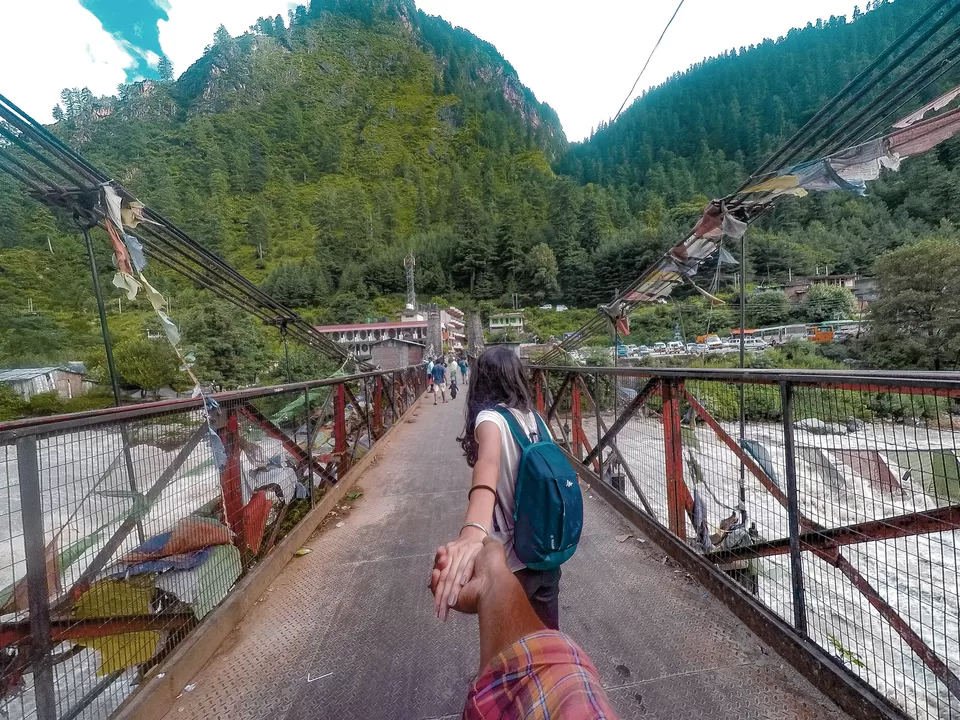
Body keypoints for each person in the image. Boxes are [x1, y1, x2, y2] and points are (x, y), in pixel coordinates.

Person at [433, 345, 562, 629]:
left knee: (507, 644)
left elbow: (488, 465)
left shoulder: (490, 419)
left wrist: (473, 531)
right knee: (548, 639)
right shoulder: (537, 419)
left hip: (510, 564)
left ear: (481, 380)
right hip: (547, 554)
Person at [430, 538, 617, 719]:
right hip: (541, 557)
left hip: (527, 562)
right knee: (546, 640)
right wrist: (491, 576)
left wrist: (491, 579)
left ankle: (501, 680)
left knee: (544, 642)